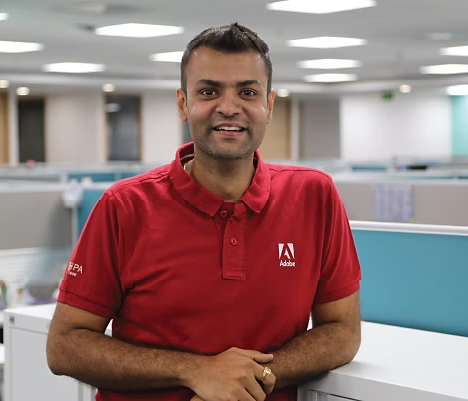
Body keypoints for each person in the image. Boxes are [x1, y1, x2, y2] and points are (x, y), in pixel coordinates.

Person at [47, 22, 362, 401]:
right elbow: (64, 346)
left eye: (247, 92)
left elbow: (343, 330)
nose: (229, 107)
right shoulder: (124, 206)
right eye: (209, 91)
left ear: (269, 105)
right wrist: (197, 371)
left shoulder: (314, 196)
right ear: (183, 104)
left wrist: (250, 377)